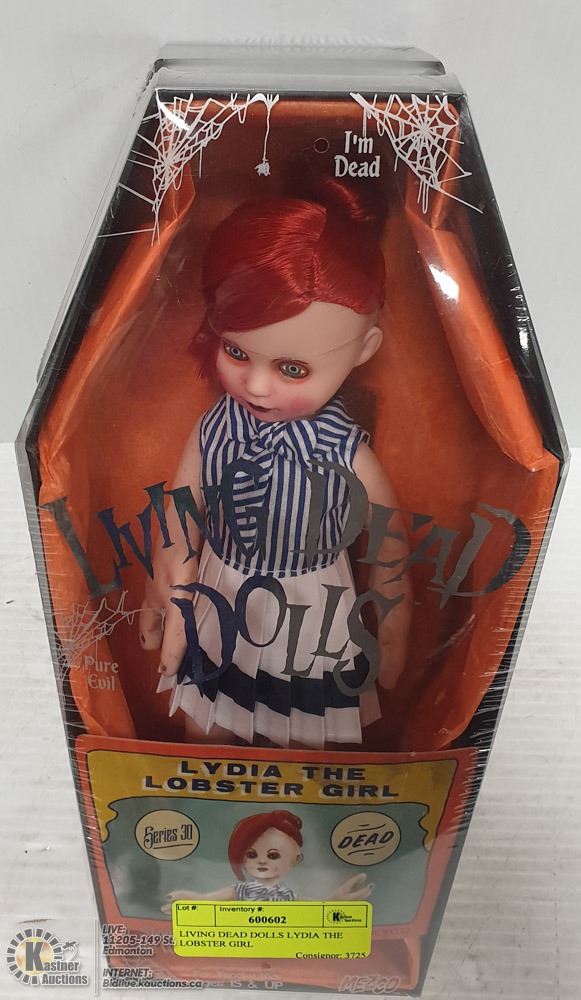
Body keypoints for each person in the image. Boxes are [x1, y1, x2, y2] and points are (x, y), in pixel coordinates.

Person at [141, 180, 411, 748]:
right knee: (207, 720)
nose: (257, 385)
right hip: (220, 591)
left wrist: (394, 622)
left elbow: (390, 546)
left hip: (310, 605)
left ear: (363, 350)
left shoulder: (346, 452)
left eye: (293, 369)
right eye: (236, 351)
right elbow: (180, 510)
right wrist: (165, 583)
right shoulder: (214, 428)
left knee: (306, 729)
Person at [161, 809, 372, 909]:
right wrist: (189, 899)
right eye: (251, 855)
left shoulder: (286, 895)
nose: (262, 862)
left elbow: (314, 906)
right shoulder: (241, 891)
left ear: (296, 859)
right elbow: (208, 899)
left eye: (273, 856)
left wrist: (334, 901)